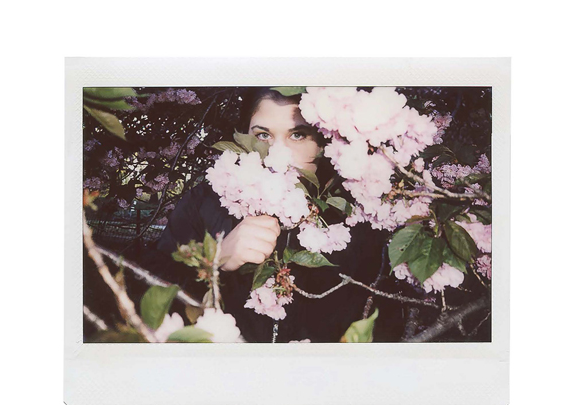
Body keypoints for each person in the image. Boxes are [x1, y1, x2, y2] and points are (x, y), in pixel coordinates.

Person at [149, 88, 397, 342]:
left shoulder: (357, 217)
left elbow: (385, 323)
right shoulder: (205, 202)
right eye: (263, 135)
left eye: (298, 135)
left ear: (324, 141)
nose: (278, 154)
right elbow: (153, 297)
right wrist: (214, 260)